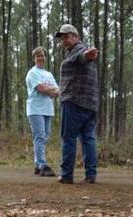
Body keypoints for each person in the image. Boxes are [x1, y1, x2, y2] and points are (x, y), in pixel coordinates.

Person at [55, 24, 99, 184]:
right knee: (88, 138)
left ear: (76, 36)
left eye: (66, 37)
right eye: (62, 38)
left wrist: (88, 55)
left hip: (74, 102)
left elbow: (83, 57)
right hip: (90, 103)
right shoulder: (78, 51)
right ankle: (91, 175)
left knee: (69, 138)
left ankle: (67, 175)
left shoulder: (79, 50)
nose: (63, 41)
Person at [26, 46, 59, 177]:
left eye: (42, 55)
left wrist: (51, 90)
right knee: (39, 136)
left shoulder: (48, 74)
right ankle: (42, 165)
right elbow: (41, 88)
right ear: (34, 58)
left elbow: (57, 91)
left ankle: (37, 164)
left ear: (45, 57)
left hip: (48, 109)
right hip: (35, 108)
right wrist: (51, 90)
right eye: (37, 56)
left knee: (45, 136)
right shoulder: (32, 73)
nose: (40, 58)